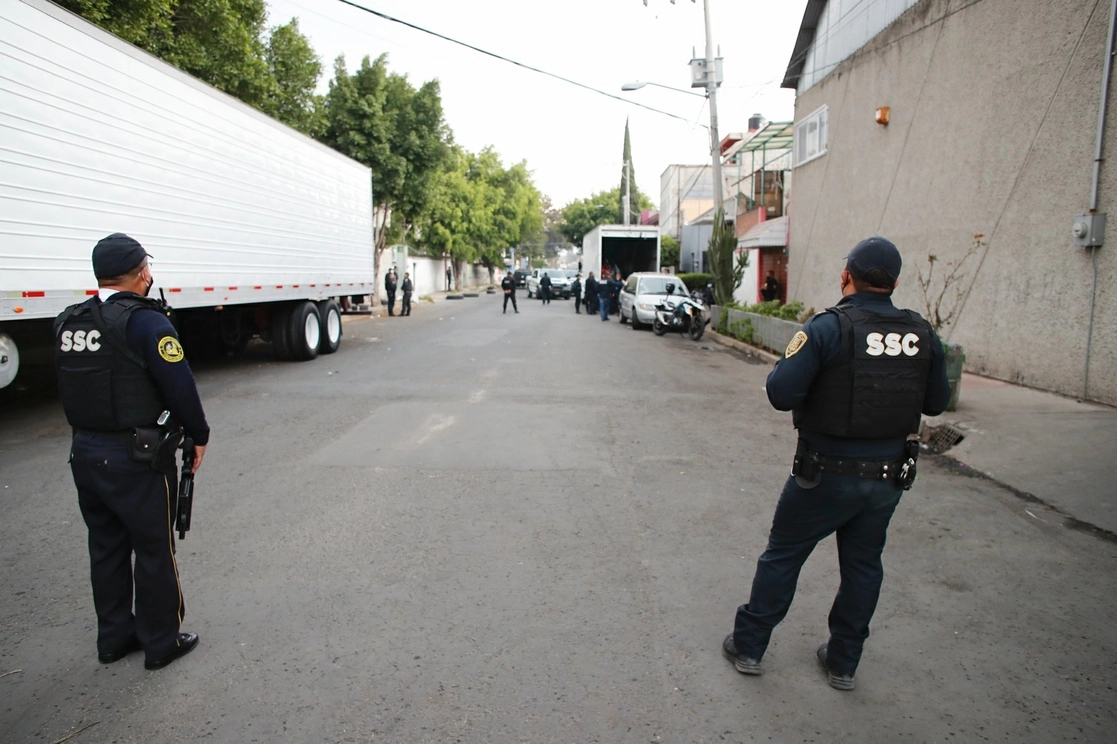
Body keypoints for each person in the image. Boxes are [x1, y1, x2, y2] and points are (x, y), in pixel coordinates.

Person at [722, 236, 950, 691]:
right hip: (886, 479)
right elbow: (937, 402)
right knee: (864, 567)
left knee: (783, 555)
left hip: (822, 475)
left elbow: (780, 393)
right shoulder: (922, 332)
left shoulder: (826, 328)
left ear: (847, 275)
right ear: (895, 282)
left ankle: (749, 646)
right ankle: (844, 662)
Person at [54, 233, 210, 670]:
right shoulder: (146, 322)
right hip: (137, 457)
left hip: (85, 453)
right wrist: (199, 434)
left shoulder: (71, 321)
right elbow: (179, 386)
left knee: (106, 547)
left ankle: (114, 638)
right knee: (154, 548)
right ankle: (161, 642)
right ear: (142, 272)